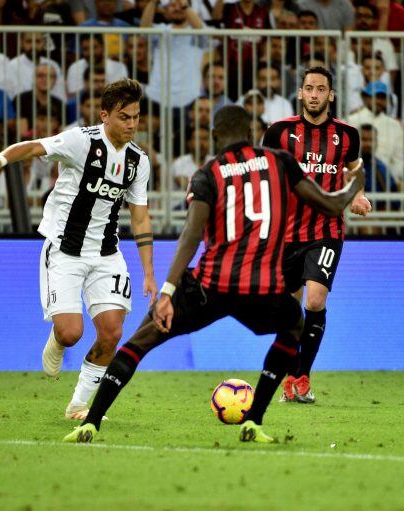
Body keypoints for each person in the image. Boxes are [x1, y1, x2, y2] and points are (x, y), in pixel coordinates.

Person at [62, 104, 367, 444]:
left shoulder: (209, 173)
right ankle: (254, 420)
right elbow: (332, 204)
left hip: (210, 285)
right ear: (251, 133)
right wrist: (358, 183)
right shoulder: (280, 162)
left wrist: (167, 292)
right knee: (295, 324)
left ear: (214, 137)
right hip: (261, 287)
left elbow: (191, 235)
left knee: (141, 340)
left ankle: (91, 421)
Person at [0, 79, 157, 421]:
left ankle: (78, 405)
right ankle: (57, 337)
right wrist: (1, 158)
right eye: (124, 117)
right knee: (72, 333)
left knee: (112, 331)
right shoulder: (80, 141)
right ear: (105, 115)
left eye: (136, 117)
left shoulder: (138, 162)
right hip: (65, 250)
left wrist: (149, 273)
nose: (131, 124)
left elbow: (141, 219)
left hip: (106, 254)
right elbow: (34, 147)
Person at [262, 67, 371, 404]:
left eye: (320, 89)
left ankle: (301, 377)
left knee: (315, 300)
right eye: (309, 88)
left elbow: (355, 171)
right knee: (290, 310)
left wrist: (356, 195)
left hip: (327, 229)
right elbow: (263, 170)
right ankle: (290, 375)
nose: (314, 95)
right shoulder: (279, 132)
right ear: (300, 93)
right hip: (287, 233)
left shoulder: (347, 134)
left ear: (331, 95)